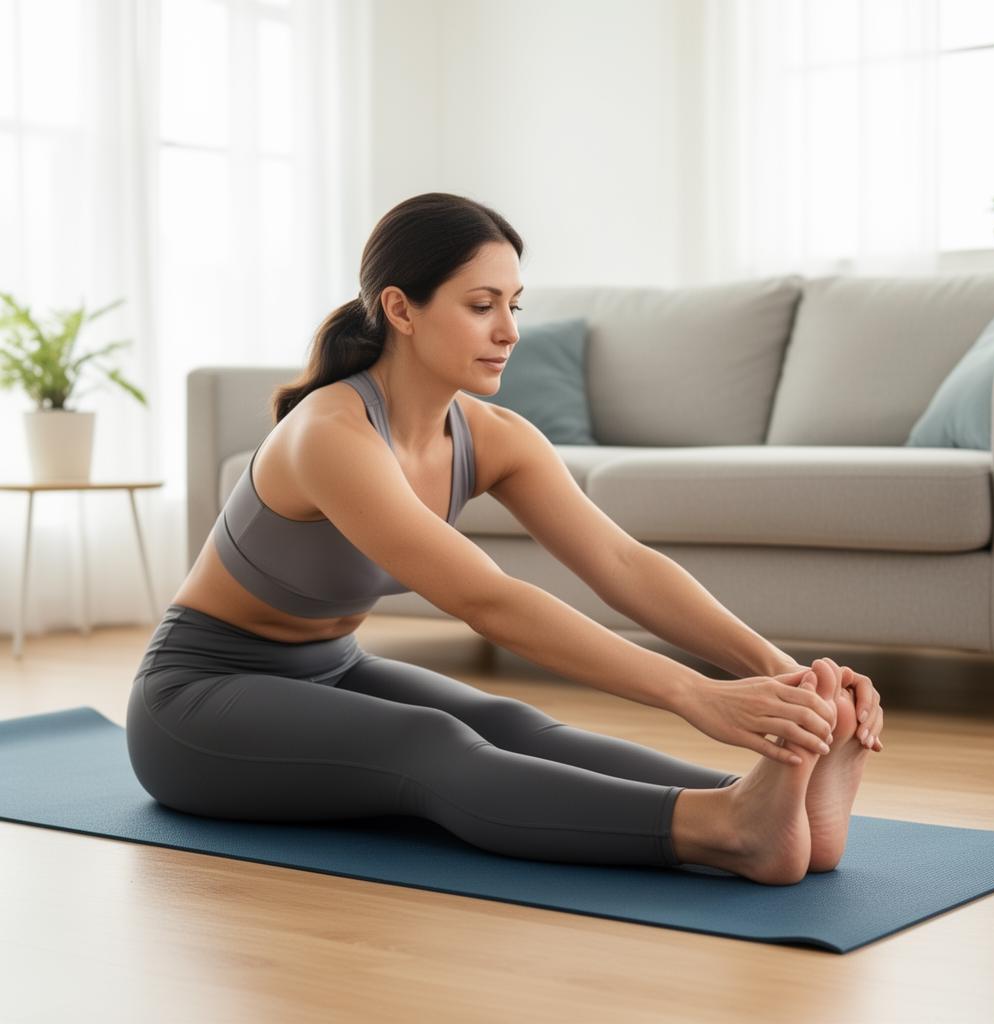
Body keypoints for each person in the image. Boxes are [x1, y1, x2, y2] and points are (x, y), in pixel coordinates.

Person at [126, 192, 884, 885]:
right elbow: (486, 599)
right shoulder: (330, 433)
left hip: (332, 670)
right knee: (428, 747)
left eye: (515, 305)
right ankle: (725, 829)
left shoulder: (492, 436)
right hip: (196, 700)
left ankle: (765, 796)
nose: (509, 332)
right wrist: (694, 693)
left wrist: (788, 682)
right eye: (482, 305)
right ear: (401, 309)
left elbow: (623, 563)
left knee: (507, 723)